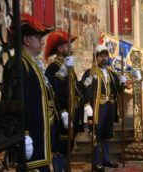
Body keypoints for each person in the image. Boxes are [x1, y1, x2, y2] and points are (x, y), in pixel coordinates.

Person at [3, 14, 54, 171]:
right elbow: (16, 102)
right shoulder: (19, 63)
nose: (42, 42)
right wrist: (22, 133)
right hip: (29, 137)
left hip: (38, 136)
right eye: (38, 37)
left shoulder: (31, 64)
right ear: (26, 40)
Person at [81, 45, 127, 172]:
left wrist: (122, 83)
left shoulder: (112, 74)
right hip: (97, 108)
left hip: (110, 107)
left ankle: (106, 160)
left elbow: (118, 91)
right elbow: (84, 89)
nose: (104, 58)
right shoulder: (91, 72)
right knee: (96, 134)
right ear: (96, 58)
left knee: (107, 134)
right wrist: (86, 105)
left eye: (105, 56)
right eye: (101, 56)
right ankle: (96, 162)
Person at [44, 30, 84, 172]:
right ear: (60, 49)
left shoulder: (69, 65)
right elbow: (53, 90)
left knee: (68, 146)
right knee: (60, 148)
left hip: (72, 111)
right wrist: (63, 112)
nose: (71, 48)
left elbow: (75, 88)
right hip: (62, 114)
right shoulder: (53, 67)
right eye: (67, 45)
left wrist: (83, 104)